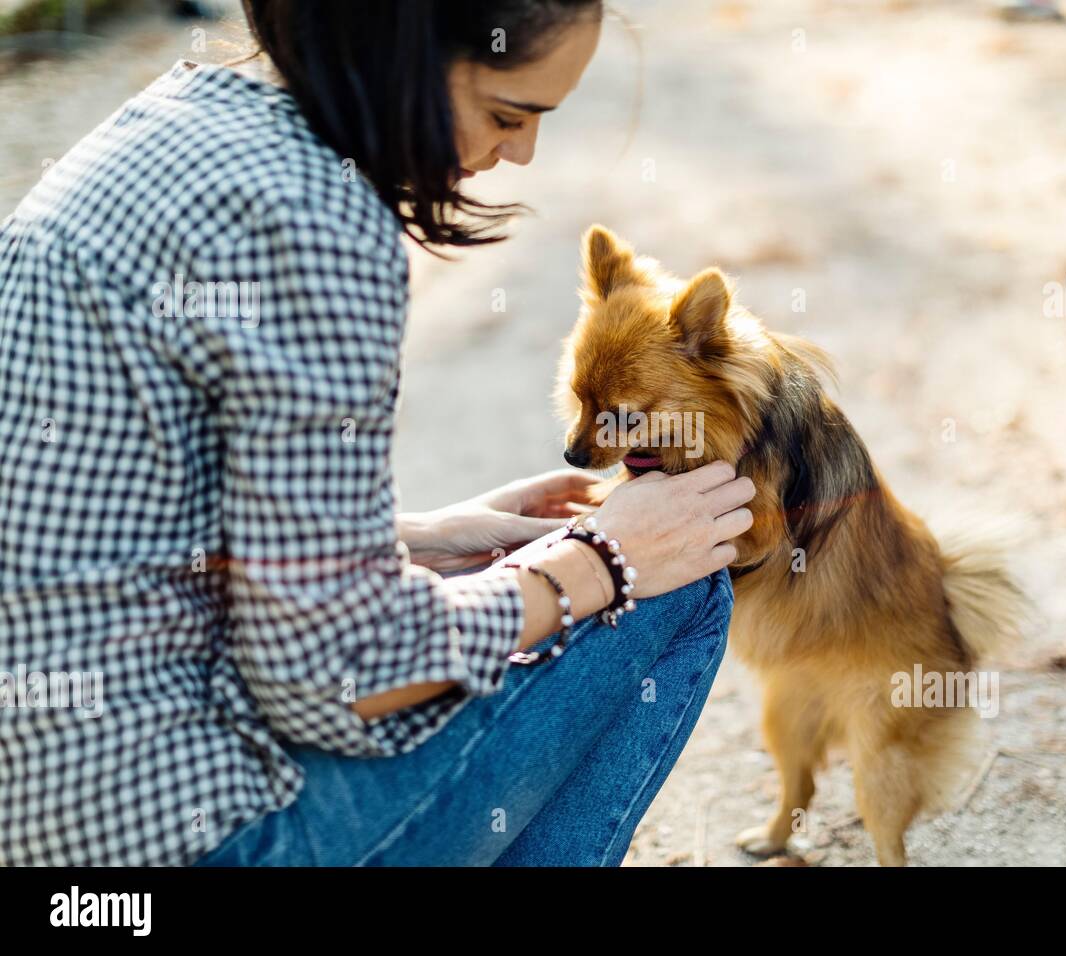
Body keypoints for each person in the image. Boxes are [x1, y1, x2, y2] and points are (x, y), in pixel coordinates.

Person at [0, 0, 755, 867]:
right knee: (678, 579)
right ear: (397, 48)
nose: (521, 153)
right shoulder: (316, 215)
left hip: (43, 824)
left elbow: (112, 523)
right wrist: (599, 564)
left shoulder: (158, 126)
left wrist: (423, 539)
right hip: (196, 837)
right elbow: (331, 679)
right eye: (508, 114)